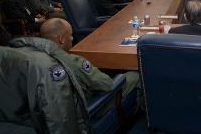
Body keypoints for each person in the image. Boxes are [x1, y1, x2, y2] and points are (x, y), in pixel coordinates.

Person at [9, 18, 140, 104]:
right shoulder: (73, 61)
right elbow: (107, 85)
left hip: (49, 115)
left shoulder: (28, 58)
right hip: (86, 111)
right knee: (135, 75)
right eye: (70, 35)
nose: (72, 38)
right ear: (61, 39)